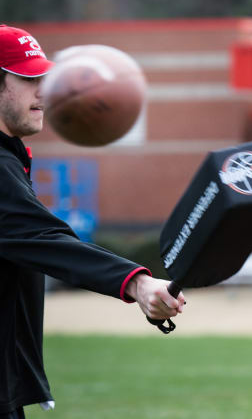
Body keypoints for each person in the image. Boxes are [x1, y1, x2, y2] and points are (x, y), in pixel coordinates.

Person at [0, 24, 186, 419]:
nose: (44, 92)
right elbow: (40, 236)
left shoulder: (9, 157)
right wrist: (136, 282)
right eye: (28, 78)